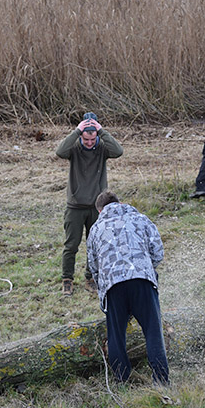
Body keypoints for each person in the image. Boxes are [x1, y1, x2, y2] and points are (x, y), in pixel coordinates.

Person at [87, 191, 169, 385]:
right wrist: (147, 268)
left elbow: (93, 265)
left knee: (116, 334)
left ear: (100, 211)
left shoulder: (96, 228)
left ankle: (123, 379)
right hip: (142, 280)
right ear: (120, 203)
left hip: (113, 286)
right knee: (152, 332)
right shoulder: (140, 219)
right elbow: (157, 251)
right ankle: (161, 380)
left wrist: (102, 289)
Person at [55, 113, 123, 296]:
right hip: (75, 206)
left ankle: (90, 278)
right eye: (86, 138)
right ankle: (67, 280)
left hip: (97, 206)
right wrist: (77, 131)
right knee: (71, 245)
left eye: (93, 139)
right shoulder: (74, 148)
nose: (90, 143)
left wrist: (103, 131)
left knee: (96, 246)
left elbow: (118, 151)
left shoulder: (102, 148)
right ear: (81, 136)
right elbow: (60, 152)